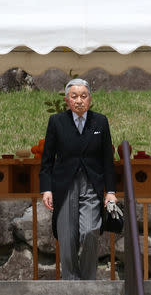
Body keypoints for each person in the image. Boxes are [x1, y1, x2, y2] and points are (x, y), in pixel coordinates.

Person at [40, 78, 119, 280]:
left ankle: (87, 282)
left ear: (90, 99)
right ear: (67, 100)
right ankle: (71, 284)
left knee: (91, 231)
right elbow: (47, 159)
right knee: (67, 239)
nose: (79, 100)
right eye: (74, 96)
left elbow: (107, 160)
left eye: (83, 96)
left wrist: (110, 192)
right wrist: (46, 189)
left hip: (91, 185)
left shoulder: (100, 122)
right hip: (64, 186)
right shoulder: (57, 122)